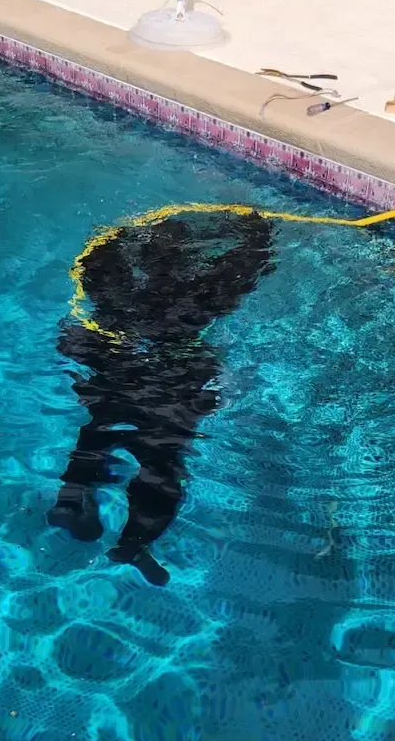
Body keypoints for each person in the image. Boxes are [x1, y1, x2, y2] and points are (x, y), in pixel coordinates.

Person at [48, 211, 276, 585]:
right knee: (163, 462)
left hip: (114, 363)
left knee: (98, 428)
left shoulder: (114, 290)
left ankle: (70, 497)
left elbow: (93, 269)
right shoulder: (203, 297)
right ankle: (133, 544)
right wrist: (261, 231)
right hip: (172, 378)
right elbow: (251, 262)